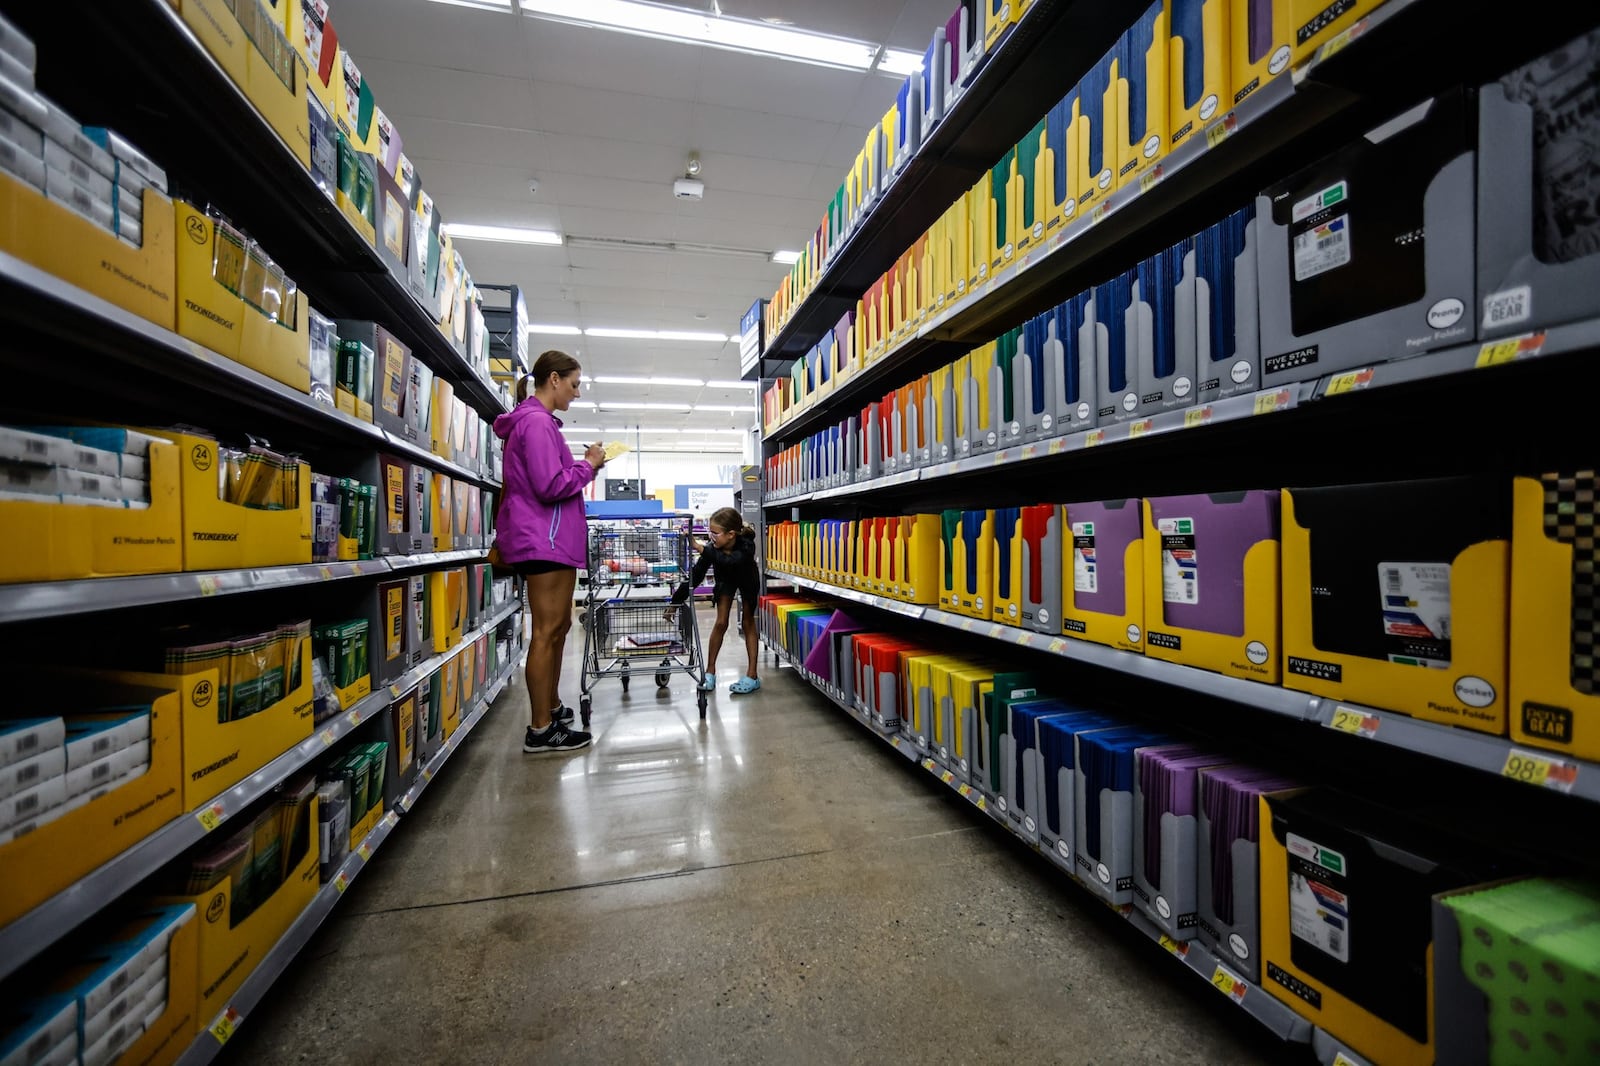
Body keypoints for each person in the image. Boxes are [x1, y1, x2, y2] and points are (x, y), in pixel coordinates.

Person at [493, 350, 606, 755]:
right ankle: (540, 730)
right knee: (546, 632)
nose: (575, 394)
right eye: (574, 385)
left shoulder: (536, 423)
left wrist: (583, 468)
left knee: (557, 630)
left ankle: (552, 706)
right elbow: (549, 485)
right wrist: (588, 465)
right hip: (544, 539)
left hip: (547, 537)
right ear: (553, 379)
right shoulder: (538, 423)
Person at [670, 507, 761, 694]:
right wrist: (675, 602)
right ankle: (710, 671)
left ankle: (752, 675)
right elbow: (695, 576)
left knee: (748, 622)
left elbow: (731, 561)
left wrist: (699, 547)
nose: (711, 536)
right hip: (725, 581)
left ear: (731, 534)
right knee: (720, 622)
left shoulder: (746, 545)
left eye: (715, 533)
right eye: (709, 532)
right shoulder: (713, 549)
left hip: (747, 580)